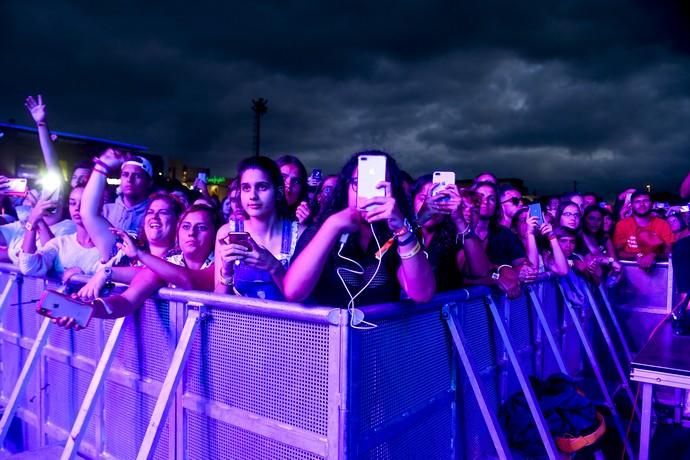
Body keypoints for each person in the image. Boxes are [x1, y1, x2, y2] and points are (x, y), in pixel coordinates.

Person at [283, 151, 435, 306]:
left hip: (381, 329)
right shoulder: (321, 229)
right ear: (346, 188)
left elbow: (422, 294)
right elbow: (293, 292)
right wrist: (332, 226)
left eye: (378, 186)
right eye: (358, 183)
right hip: (330, 330)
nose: (367, 193)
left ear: (392, 192)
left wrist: (402, 230)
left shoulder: (397, 235)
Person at [56, 204, 218, 327]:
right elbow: (126, 300)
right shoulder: (165, 265)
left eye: (202, 228)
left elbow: (189, 280)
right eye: (186, 227)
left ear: (215, 234)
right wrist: (91, 308)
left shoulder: (220, 264)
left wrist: (140, 254)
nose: (191, 233)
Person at [214, 156, 303, 300]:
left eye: (262, 187)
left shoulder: (299, 234)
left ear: (279, 192)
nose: (253, 196)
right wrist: (226, 272)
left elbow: (303, 301)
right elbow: (217, 303)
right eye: (246, 188)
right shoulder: (226, 233)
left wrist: (274, 266)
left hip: (285, 322)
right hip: (237, 322)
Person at [76, 193, 183, 300]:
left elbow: (152, 272)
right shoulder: (126, 249)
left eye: (163, 213)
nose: (154, 217)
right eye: (150, 212)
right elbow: (88, 214)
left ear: (178, 222)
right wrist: (79, 275)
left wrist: (107, 273)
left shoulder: (181, 259)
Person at [412, 175, 491, 292]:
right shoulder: (398, 231)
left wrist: (459, 220)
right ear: (412, 200)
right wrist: (420, 219)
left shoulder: (453, 237)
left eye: (439, 199)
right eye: (423, 198)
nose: (430, 204)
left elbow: (481, 272)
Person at [17, 187, 105, 281]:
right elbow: (29, 267)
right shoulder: (60, 243)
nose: (77, 208)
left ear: (99, 206)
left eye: (84, 202)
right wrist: (32, 220)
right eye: (73, 203)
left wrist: (83, 279)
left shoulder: (109, 247)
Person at [86, 149, 153, 233]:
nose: (129, 179)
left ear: (149, 183)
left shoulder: (152, 215)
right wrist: (102, 165)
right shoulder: (105, 211)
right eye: (125, 174)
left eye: (137, 176)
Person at [613, 190, 673, 269]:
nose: (642, 204)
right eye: (637, 202)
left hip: (658, 270)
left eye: (646, 201)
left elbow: (669, 251)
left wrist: (654, 255)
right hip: (629, 269)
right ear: (632, 205)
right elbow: (618, 252)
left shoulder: (663, 224)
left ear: (651, 204)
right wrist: (636, 255)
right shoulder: (622, 225)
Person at [276, 155, 311, 224]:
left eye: (296, 181)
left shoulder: (304, 220)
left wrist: (304, 227)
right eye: (283, 177)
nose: (289, 184)